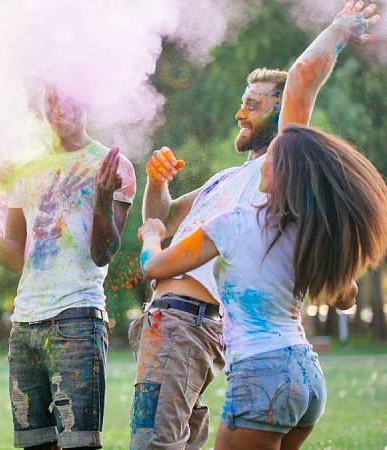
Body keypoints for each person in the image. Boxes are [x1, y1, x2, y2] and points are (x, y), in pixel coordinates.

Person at [128, 2, 378, 447]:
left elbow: (302, 77)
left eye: (252, 104)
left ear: (281, 118)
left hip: (203, 331)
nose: (240, 113)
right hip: (293, 368)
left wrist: (339, 29)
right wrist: (156, 184)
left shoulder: (282, 174)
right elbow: (164, 216)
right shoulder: (229, 182)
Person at [138, 124, 387, 449]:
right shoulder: (303, 234)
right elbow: (345, 295)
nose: (263, 164)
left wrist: (153, 234)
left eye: (273, 159)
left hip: (262, 377)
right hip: (307, 378)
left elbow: (153, 266)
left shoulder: (235, 222)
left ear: (285, 172)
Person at [0, 87, 136, 449]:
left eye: (70, 96)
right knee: (35, 444)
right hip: (24, 325)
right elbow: (14, 258)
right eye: (51, 100)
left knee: (79, 444)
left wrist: (102, 198)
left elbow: (104, 253)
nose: (59, 109)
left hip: (78, 319)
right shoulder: (24, 168)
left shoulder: (111, 165)